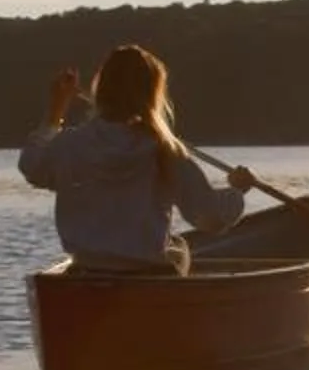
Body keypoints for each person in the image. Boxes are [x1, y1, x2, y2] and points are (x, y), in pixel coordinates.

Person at [19, 44, 257, 274]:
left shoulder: (71, 144)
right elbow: (210, 217)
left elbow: (32, 166)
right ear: (152, 94)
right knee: (179, 248)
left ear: (102, 89)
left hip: (86, 275)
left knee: (175, 247)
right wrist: (237, 191)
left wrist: (55, 111)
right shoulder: (164, 151)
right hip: (147, 277)